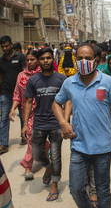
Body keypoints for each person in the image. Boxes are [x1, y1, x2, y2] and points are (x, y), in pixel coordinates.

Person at [52, 44, 111, 208]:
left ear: (96, 60)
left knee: (103, 190)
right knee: (75, 189)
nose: (84, 61)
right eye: (80, 58)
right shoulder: (70, 83)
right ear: (76, 60)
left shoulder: (108, 81)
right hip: (78, 145)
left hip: (103, 147)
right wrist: (63, 123)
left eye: (88, 58)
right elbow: (56, 103)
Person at [22, 48, 67, 201]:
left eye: (48, 58)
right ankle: (47, 167)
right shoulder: (33, 80)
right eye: (42, 59)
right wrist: (25, 125)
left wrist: (65, 121)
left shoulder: (62, 79)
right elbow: (28, 102)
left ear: (53, 59)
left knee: (56, 155)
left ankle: (55, 183)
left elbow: (67, 101)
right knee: (37, 156)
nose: (46, 61)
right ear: (39, 61)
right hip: (39, 123)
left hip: (56, 123)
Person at [9, 50, 50, 180]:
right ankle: (28, 165)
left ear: (37, 60)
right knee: (32, 137)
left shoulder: (43, 75)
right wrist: (12, 109)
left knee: (35, 138)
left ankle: (38, 154)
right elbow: (17, 93)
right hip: (27, 112)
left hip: (41, 111)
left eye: (32, 59)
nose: (29, 62)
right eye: (27, 60)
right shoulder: (21, 75)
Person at [0, 36, 26, 154]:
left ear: (11, 45)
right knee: (4, 117)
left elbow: (25, 73)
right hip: (5, 93)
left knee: (23, 115)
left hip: (21, 93)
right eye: (2, 47)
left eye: (7, 46)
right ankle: (3, 143)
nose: (5, 48)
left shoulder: (20, 57)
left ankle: (24, 136)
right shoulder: (1, 60)